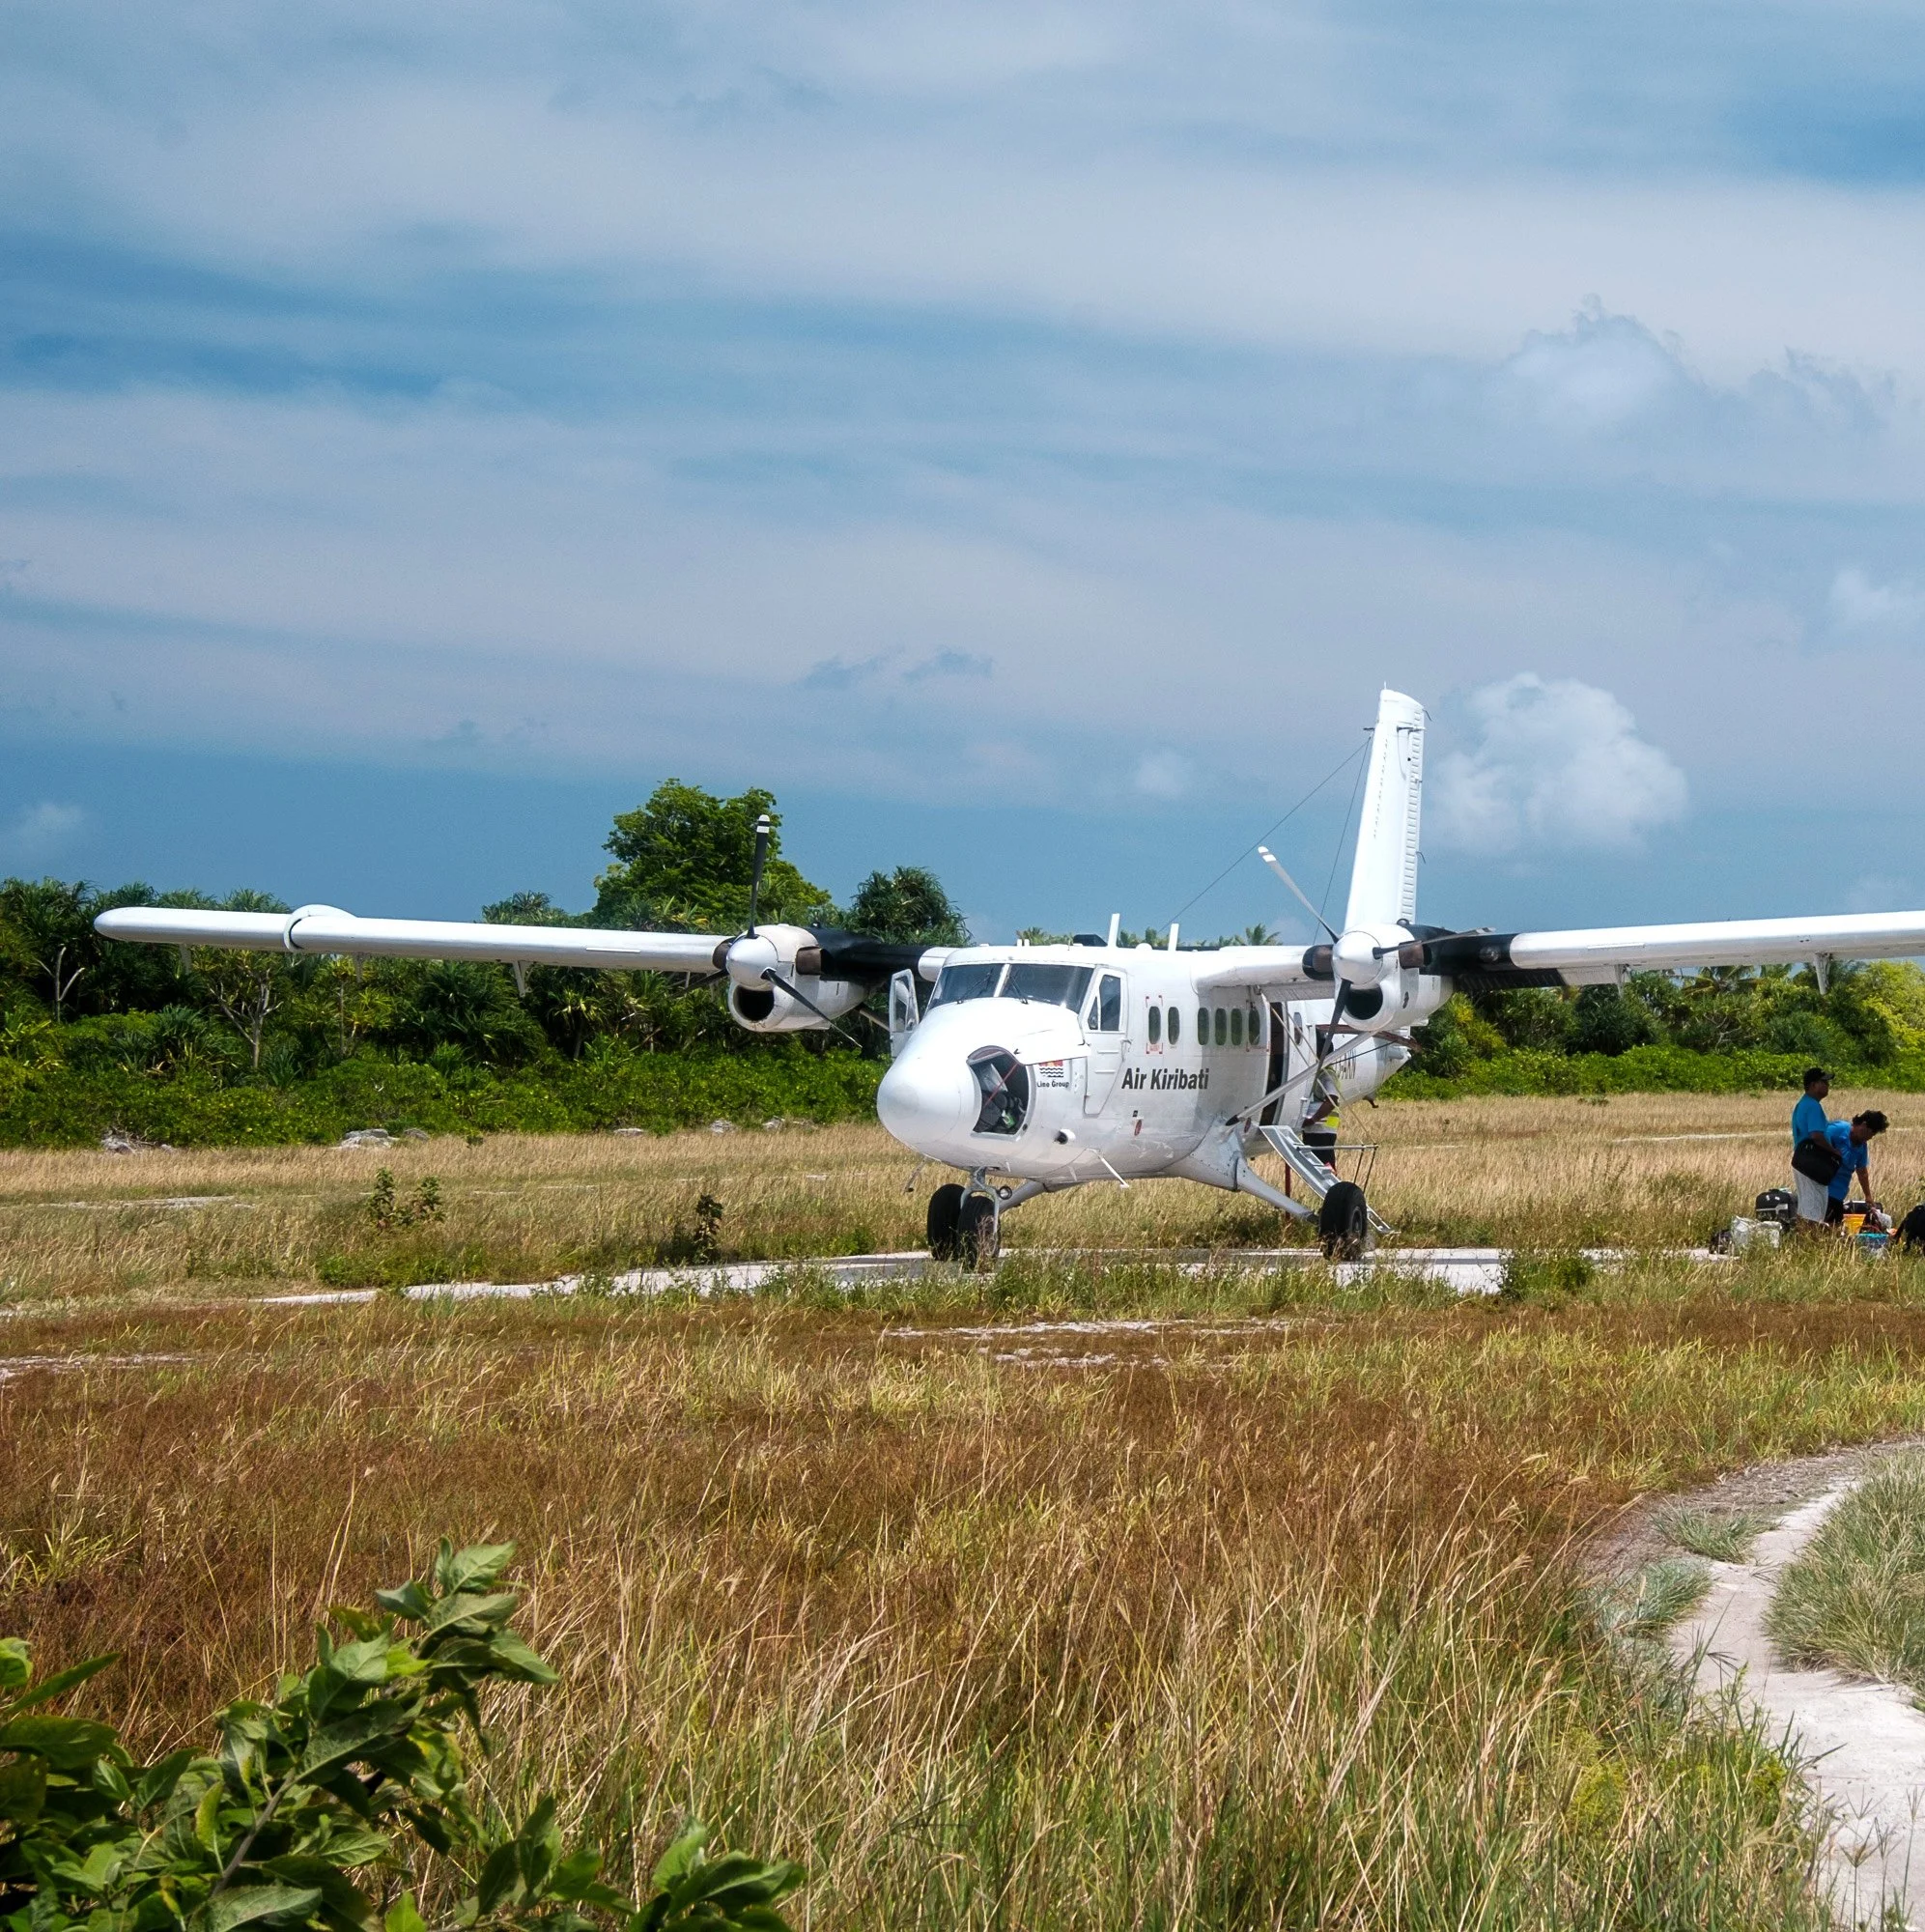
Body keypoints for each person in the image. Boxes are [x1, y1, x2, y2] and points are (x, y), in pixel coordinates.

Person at [1822, 1110, 1888, 1226]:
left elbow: (1862, 1172)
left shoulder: (1862, 1146)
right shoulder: (1837, 1129)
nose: (1870, 1138)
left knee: (1834, 1227)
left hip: (1839, 1193)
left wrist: (1868, 1196)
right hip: (1822, 1187)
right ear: (1864, 1125)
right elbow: (1817, 1141)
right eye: (1871, 1133)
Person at [1791, 1067, 1832, 1230]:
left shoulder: (1803, 1103)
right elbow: (1816, 1135)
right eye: (1824, 1082)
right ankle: (1811, 1239)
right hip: (1812, 1161)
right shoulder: (1813, 1106)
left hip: (1802, 1160)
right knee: (1814, 1209)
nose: (1828, 1085)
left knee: (1806, 1207)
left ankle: (1803, 1238)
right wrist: (1834, 1152)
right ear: (1813, 1085)